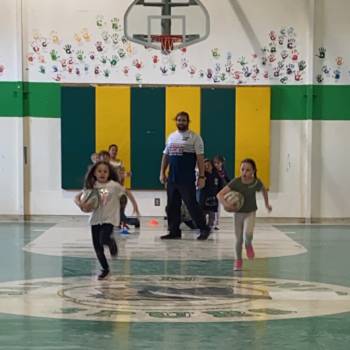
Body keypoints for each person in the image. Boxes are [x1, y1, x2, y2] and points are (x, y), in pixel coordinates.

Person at [159, 111, 210, 240]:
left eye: (184, 120)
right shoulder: (171, 137)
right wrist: (162, 173)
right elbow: (166, 156)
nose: (181, 122)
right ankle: (174, 231)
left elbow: (200, 158)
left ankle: (204, 229)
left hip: (186, 178)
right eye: (179, 120)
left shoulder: (195, 137)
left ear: (188, 122)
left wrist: (202, 177)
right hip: (172, 178)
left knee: (191, 204)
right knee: (172, 206)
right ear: (176, 121)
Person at [217, 158, 272, 271]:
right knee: (238, 239)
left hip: (250, 212)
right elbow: (220, 194)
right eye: (242, 169)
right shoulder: (236, 182)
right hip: (238, 214)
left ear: (253, 171)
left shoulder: (256, 182)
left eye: (248, 170)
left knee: (248, 234)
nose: (244, 172)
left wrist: (267, 204)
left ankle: (248, 245)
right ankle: (238, 260)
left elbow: (264, 190)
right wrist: (225, 204)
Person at [74, 161, 125, 280]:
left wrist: (122, 212)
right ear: (94, 173)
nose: (102, 173)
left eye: (105, 171)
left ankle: (111, 243)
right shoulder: (92, 186)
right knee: (97, 247)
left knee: (103, 239)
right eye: (99, 171)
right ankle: (105, 269)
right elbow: (76, 197)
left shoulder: (113, 186)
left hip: (109, 219)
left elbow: (124, 194)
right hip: (95, 220)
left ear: (109, 173)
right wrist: (81, 204)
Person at [199, 159, 223, 230]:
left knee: (212, 214)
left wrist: (220, 194)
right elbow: (199, 185)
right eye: (205, 165)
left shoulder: (216, 175)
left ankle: (210, 226)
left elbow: (220, 185)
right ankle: (202, 226)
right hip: (203, 198)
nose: (207, 167)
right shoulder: (202, 175)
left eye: (208, 165)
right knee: (202, 213)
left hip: (213, 198)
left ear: (212, 166)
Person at [212, 155, 230, 230]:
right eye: (215, 163)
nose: (217, 164)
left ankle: (216, 224)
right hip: (212, 191)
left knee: (217, 208)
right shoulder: (212, 170)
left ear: (222, 163)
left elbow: (227, 179)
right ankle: (209, 222)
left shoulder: (223, 170)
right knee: (209, 208)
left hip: (220, 192)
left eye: (218, 163)